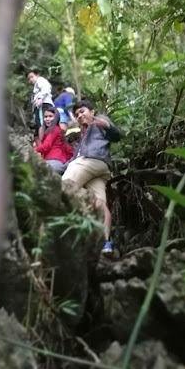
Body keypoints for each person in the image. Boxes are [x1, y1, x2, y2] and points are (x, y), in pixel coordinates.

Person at [62, 99, 121, 255]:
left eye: (82, 112)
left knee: (62, 189)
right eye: (77, 114)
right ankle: (105, 243)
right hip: (100, 169)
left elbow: (117, 135)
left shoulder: (99, 122)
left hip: (91, 160)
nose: (80, 116)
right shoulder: (84, 136)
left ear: (92, 111)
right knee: (99, 203)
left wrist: (106, 125)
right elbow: (71, 161)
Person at [34, 107, 74, 174]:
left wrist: (33, 150)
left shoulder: (54, 129)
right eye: (45, 117)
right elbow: (67, 148)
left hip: (53, 162)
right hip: (58, 163)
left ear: (56, 117)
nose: (47, 119)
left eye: (50, 116)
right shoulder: (56, 130)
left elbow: (46, 145)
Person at [27, 69, 53, 146]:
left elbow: (46, 87)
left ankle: (45, 145)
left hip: (43, 104)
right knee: (39, 126)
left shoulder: (40, 80)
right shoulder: (36, 87)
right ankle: (42, 146)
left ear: (37, 75)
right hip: (39, 106)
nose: (30, 80)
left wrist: (40, 98)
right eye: (29, 79)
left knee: (42, 125)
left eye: (32, 77)